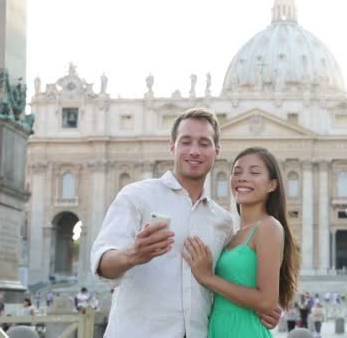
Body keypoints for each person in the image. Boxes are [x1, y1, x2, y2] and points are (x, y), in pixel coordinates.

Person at [90, 109, 280, 337]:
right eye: (186, 142)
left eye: (204, 143)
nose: (194, 151)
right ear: (172, 146)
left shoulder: (223, 221)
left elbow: (227, 279)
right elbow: (102, 262)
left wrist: (261, 306)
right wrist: (134, 254)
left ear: (216, 151)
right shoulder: (137, 196)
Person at [183, 147, 300, 338]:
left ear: (272, 185)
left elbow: (266, 301)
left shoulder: (269, 227)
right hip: (220, 328)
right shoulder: (234, 234)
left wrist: (208, 278)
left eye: (254, 172)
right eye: (236, 172)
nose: (242, 177)